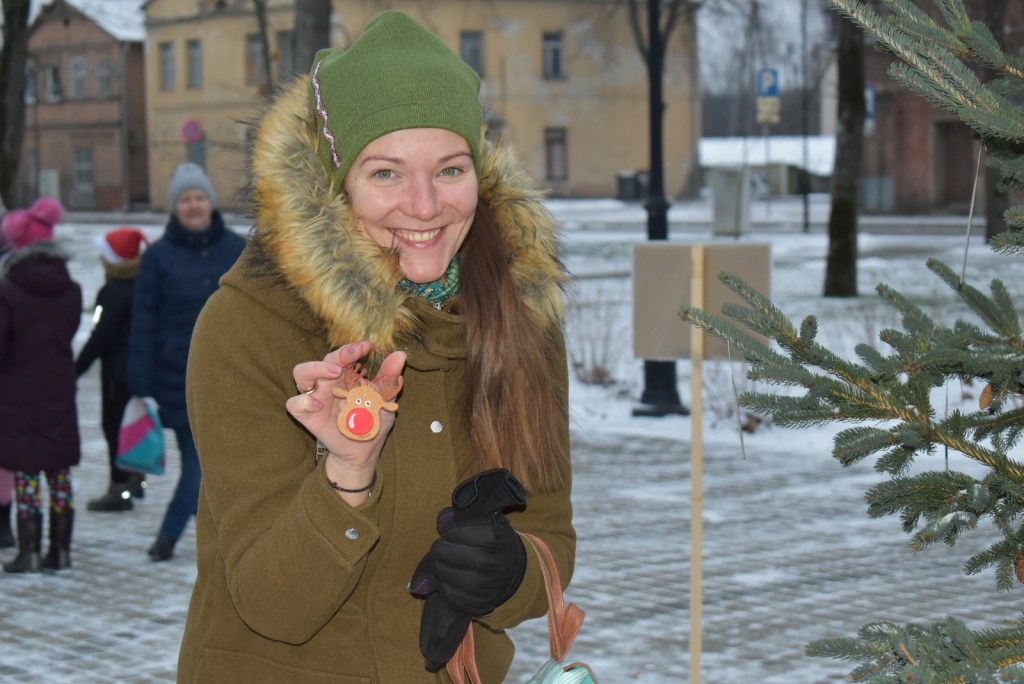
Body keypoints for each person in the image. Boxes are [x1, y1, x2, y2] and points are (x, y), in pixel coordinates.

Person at [178, 12, 574, 683]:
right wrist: (346, 476)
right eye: (387, 173)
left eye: (450, 170)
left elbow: (552, 539)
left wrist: (511, 572)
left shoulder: (520, 320)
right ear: (337, 184)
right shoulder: (248, 326)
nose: (424, 206)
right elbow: (271, 604)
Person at [128, 164, 245, 561]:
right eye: (185, 199)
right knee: (197, 471)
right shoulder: (158, 257)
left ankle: (230, 541)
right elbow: (143, 321)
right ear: (174, 207)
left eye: (198, 198)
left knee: (233, 470)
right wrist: (140, 385)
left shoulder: (236, 248)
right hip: (177, 380)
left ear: (209, 202)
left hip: (233, 378)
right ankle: (168, 537)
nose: (193, 206)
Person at [0, 198, 81, 573]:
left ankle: (29, 551)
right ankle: (60, 551)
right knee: (59, 472)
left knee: (28, 473)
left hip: (18, 394)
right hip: (59, 391)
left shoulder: (8, 290)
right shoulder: (71, 289)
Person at [76, 228, 150, 511]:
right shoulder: (141, 284)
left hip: (117, 374)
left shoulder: (113, 292)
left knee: (112, 427)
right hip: (137, 370)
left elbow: (100, 336)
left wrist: (76, 369)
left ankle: (119, 487)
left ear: (114, 260)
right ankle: (136, 477)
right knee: (132, 425)